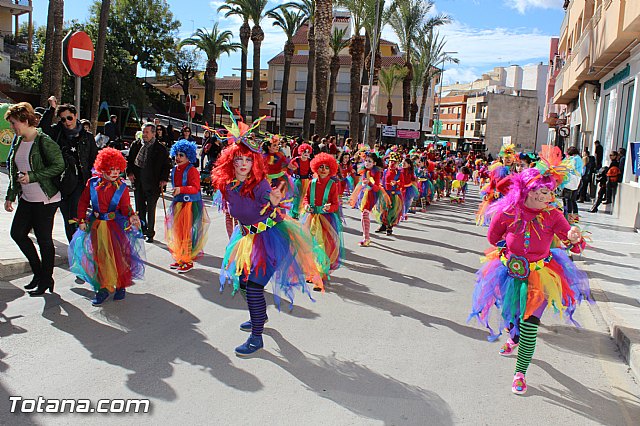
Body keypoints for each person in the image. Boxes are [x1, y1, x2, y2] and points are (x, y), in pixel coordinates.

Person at [470, 146, 591, 395]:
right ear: (525, 190)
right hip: (509, 272)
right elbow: (494, 238)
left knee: (530, 324)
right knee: (512, 313)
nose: (544, 196)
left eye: (548, 192)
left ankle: (520, 372)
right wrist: (508, 248)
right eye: (538, 190)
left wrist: (574, 238)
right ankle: (512, 336)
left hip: (540, 275)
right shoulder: (508, 211)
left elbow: (573, 243)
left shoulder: (554, 215)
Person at [211, 109, 328, 357]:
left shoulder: (261, 183)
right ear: (229, 162)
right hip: (247, 238)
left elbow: (270, 202)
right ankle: (259, 316)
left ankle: (256, 337)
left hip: (271, 238)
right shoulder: (228, 185)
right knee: (243, 282)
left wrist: (274, 201)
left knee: (253, 287)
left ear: (255, 162)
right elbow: (233, 212)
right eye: (238, 160)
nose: (243, 164)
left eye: (248, 160)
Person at [69, 148, 144, 305]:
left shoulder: (122, 187)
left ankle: (120, 285)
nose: (116, 172)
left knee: (118, 257)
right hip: (96, 226)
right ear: (102, 167)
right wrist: (81, 220)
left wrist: (132, 215)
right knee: (99, 256)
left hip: (114, 227)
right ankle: (103, 288)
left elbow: (125, 206)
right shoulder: (92, 183)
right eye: (111, 169)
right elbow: (83, 202)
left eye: (118, 169)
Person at [4, 102, 64, 296]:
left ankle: (46, 278)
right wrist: (10, 195)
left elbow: (59, 165)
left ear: (24, 120)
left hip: (46, 199)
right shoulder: (19, 140)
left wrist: (33, 176)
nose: (12, 127)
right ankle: (39, 273)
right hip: (27, 198)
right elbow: (13, 169)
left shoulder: (43, 141)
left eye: (14, 123)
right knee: (17, 233)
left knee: (44, 240)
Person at [39, 96, 98, 242]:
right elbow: (43, 128)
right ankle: (74, 246)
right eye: (63, 119)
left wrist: (94, 181)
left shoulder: (87, 136)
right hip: (62, 181)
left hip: (80, 181)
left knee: (75, 215)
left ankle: (79, 247)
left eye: (69, 118)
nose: (67, 122)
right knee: (67, 217)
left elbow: (94, 159)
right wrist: (52, 108)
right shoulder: (57, 132)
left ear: (76, 116)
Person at [165, 140, 210, 273]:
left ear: (188, 156)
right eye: (176, 155)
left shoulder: (192, 170)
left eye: (181, 155)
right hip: (178, 204)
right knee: (178, 232)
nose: (178, 158)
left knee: (187, 233)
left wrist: (181, 189)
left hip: (190, 205)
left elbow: (195, 188)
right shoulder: (175, 169)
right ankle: (181, 257)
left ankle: (188, 260)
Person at [302, 153, 343, 291]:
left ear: (331, 169)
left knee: (323, 246)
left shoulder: (332, 185)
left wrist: (329, 207)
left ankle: (320, 274)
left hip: (326, 219)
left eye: (326, 167)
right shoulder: (312, 183)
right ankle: (313, 271)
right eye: (320, 167)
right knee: (311, 245)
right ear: (315, 168)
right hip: (312, 218)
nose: (323, 170)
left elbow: (336, 204)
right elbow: (306, 198)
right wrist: (307, 205)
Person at [126, 123, 171, 243]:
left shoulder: (160, 148)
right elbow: (129, 160)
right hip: (139, 182)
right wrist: (129, 172)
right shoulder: (136, 145)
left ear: (153, 133)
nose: (144, 135)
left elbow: (166, 165)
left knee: (151, 209)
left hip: (153, 183)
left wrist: (164, 179)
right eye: (143, 132)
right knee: (140, 208)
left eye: (147, 132)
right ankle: (142, 230)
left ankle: (150, 233)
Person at [350, 151, 389, 246]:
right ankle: (366, 236)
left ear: (374, 163)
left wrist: (369, 183)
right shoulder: (364, 170)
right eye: (366, 160)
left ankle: (366, 238)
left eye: (369, 161)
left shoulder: (376, 172)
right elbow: (362, 182)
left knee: (364, 214)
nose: (367, 163)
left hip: (372, 195)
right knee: (364, 214)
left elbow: (376, 188)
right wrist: (363, 184)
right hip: (364, 194)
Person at [378, 152, 405, 235]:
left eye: (395, 162)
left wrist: (396, 183)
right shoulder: (385, 171)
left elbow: (402, 184)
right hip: (385, 194)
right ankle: (383, 225)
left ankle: (389, 226)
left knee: (392, 211)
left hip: (394, 195)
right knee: (383, 210)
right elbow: (382, 180)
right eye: (391, 161)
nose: (392, 164)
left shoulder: (399, 173)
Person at [288, 143, 313, 219]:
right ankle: (294, 213)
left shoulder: (310, 161)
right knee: (297, 197)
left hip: (307, 181)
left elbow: (313, 170)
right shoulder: (296, 160)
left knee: (304, 197)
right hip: (297, 181)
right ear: (300, 151)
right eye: (304, 152)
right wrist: (292, 168)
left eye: (308, 152)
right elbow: (289, 166)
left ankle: (300, 212)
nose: (306, 153)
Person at [563, 146, 583, 224]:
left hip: (571, 181)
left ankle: (568, 216)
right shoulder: (579, 159)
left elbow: (569, 168)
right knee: (573, 199)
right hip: (577, 181)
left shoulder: (574, 159)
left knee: (567, 199)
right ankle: (575, 215)